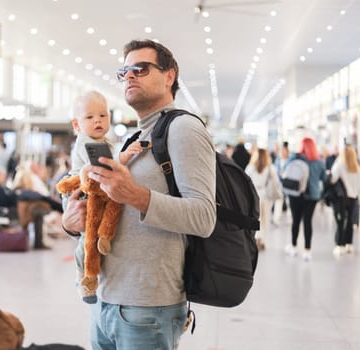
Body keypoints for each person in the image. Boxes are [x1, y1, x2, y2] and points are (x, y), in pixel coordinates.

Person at [61, 39, 216, 349]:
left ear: (169, 76)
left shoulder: (183, 128)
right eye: (125, 71)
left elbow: (203, 217)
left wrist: (135, 195)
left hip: (149, 307)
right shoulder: (132, 137)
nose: (130, 75)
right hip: (105, 300)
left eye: (141, 69)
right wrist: (71, 222)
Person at [68, 90, 145, 303]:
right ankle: (83, 276)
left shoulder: (104, 140)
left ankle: (102, 243)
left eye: (103, 115)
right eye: (90, 117)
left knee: (97, 228)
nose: (98, 121)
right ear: (77, 125)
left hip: (95, 191)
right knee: (86, 237)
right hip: (82, 191)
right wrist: (124, 156)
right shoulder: (85, 141)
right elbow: (102, 164)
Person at [283, 137, 326, 261]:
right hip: (312, 196)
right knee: (308, 222)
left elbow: (285, 170)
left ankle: (293, 247)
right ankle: (307, 251)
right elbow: (324, 178)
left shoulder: (294, 157)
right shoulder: (318, 162)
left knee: (295, 220)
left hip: (296, 193)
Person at [245, 148, 279, 251]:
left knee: (255, 218)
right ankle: (262, 240)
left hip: (254, 195)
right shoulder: (270, 167)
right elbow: (275, 182)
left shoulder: (250, 167)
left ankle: (256, 238)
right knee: (265, 219)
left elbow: (245, 180)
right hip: (265, 195)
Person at [330, 144, 360, 256]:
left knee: (340, 221)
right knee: (350, 221)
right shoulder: (357, 167)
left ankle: (339, 245)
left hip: (342, 198)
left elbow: (332, 178)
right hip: (353, 197)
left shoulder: (340, 164)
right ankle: (349, 244)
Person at [272, 141, 291, 225]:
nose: (283, 153)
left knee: (289, 202)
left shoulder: (289, 161)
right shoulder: (277, 160)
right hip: (279, 184)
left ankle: (290, 219)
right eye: (281, 151)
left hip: (288, 184)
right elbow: (275, 170)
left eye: (284, 151)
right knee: (278, 201)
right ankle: (276, 219)